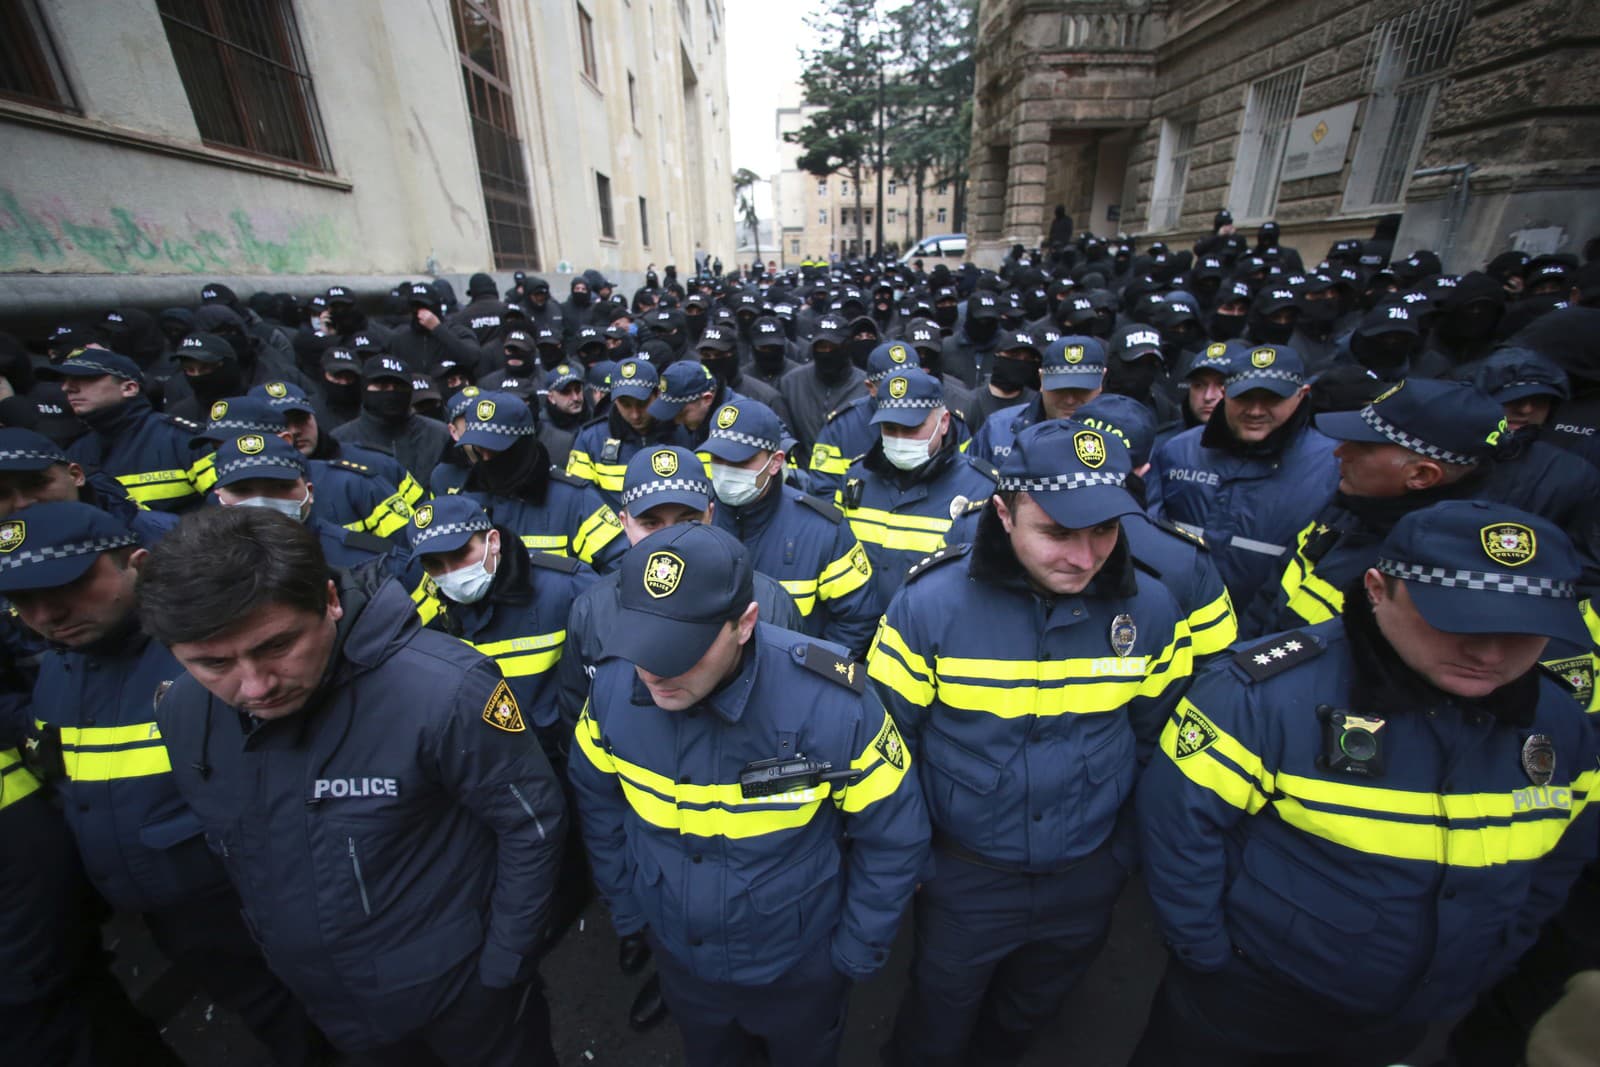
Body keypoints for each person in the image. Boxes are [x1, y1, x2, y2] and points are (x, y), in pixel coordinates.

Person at [1132, 500, 1600, 1066]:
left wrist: (1494, 952)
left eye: (1523, 630)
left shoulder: (1563, 726)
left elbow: (1558, 859)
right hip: (1255, 996)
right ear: (1378, 589)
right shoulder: (1261, 695)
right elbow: (1179, 829)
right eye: (1457, 619)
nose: (1489, 652)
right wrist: (1205, 955)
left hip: (1412, 1011)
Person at [138, 506, 567, 1065]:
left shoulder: (444, 692)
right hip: (331, 1001)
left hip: (463, 993)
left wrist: (505, 964)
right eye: (213, 662)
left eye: (276, 646)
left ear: (330, 600)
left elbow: (531, 825)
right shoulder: (184, 714)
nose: (255, 685)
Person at [868, 419, 1194, 1067]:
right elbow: (887, 744)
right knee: (938, 1011)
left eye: (1104, 530)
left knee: (1029, 1009)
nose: (1085, 556)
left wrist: (1118, 855)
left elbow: (1160, 743)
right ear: (1003, 512)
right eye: (1057, 532)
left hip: (1086, 872)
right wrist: (917, 861)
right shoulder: (928, 607)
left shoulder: (1153, 611)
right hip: (965, 873)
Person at [569, 522, 930, 1067]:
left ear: (745, 623)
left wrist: (855, 949)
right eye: (642, 643)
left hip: (798, 966)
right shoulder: (613, 692)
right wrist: (628, 905)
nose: (655, 672)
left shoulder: (833, 701)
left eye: (681, 649)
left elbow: (895, 833)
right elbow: (597, 799)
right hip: (681, 958)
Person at [2, 501, 324, 1065]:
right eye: (21, 601)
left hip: (269, 901)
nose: (47, 614)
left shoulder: (211, 661)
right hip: (179, 920)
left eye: (69, 585)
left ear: (138, 564)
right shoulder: (57, 676)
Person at [551, 443, 804, 1031]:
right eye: (650, 523)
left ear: (711, 515)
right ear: (623, 524)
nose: (667, 538)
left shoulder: (767, 602)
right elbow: (580, 726)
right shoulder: (592, 611)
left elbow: (796, 718)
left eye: (686, 521)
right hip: (658, 832)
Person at [1147, 343, 1339, 608]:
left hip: (1266, 635)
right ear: (1226, 394)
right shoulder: (1178, 451)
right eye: (1244, 397)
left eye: (1272, 398)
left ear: (1302, 394)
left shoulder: (1332, 466)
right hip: (1177, 620)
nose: (1256, 410)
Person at [701, 397, 883, 656]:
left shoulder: (820, 529)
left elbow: (857, 618)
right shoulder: (696, 516)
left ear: (775, 462)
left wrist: (810, 673)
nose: (725, 471)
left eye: (740, 461)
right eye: (717, 459)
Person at [836, 369, 997, 597]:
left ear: (943, 423)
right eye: (890, 428)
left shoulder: (981, 487)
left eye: (912, 428)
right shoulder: (856, 478)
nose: (900, 439)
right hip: (860, 627)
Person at [457, 392, 627, 570]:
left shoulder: (573, 500)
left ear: (522, 447)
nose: (486, 459)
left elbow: (619, 567)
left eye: (496, 450)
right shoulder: (468, 502)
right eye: (479, 449)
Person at [54, 351, 204, 513]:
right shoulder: (76, 452)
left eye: (85, 378)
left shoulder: (183, 439)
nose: (67, 387)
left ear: (129, 388)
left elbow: (226, 511)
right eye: (65, 380)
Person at [969, 335, 1107, 463]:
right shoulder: (998, 429)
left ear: (1101, 380)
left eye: (1081, 390)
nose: (1070, 400)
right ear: (1041, 379)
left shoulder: (1121, 434)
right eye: (1059, 389)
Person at [567, 357, 678, 507]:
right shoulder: (591, 439)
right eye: (625, 405)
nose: (635, 414)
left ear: (657, 394)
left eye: (642, 404)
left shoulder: (680, 431)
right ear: (614, 400)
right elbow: (577, 500)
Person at [331, 353, 452, 485]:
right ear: (364, 387)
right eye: (382, 387)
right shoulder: (341, 440)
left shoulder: (440, 435)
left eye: (399, 387)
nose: (391, 392)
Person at [779, 314, 868, 457]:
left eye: (833, 347)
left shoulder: (866, 386)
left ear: (846, 345)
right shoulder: (791, 383)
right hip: (802, 474)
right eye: (821, 347)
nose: (827, 352)